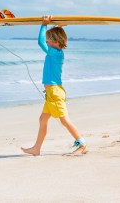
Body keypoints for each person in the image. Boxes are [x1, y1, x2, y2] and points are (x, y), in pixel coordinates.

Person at [21, 15, 87, 156]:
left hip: (54, 92)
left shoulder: (54, 53)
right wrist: (58, 26)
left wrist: (43, 24)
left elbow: (40, 42)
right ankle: (36, 148)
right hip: (52, 92)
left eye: (49, 40)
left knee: (64, 120)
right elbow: (48, 40)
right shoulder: (56, 52)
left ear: (56, 42)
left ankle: (81, 142)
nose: (46, 41)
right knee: (42, 119)